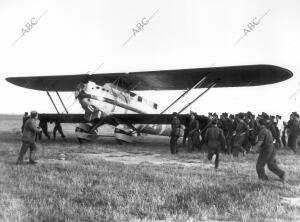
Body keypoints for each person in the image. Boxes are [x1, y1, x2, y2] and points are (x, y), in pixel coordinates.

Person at [254, 118, 285, 182]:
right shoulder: (268, 130)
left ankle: (263, 179)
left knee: (259, 165)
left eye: (257, 123)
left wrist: (255, 149)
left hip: (266, 150)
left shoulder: (262, 131)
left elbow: (260, 142)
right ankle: (282, 174)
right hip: (272, 148)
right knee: (271, 165)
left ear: (259, 124)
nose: (257, 124)